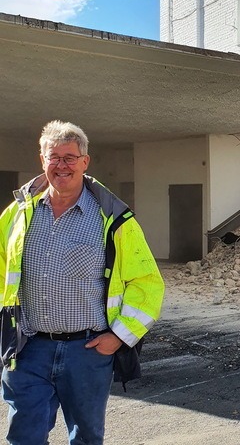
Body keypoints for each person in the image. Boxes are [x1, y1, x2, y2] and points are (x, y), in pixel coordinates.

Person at [0, 120, 165, 445]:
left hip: (87, 351)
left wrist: (118, 337)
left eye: (70, 157)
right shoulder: (17, 215)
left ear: (85, 162)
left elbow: (147, 283)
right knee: (23, 437)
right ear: (42, 159)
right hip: (28, 349)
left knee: (87, 438)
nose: (62, 165)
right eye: (54, 157)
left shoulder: (114, 220)